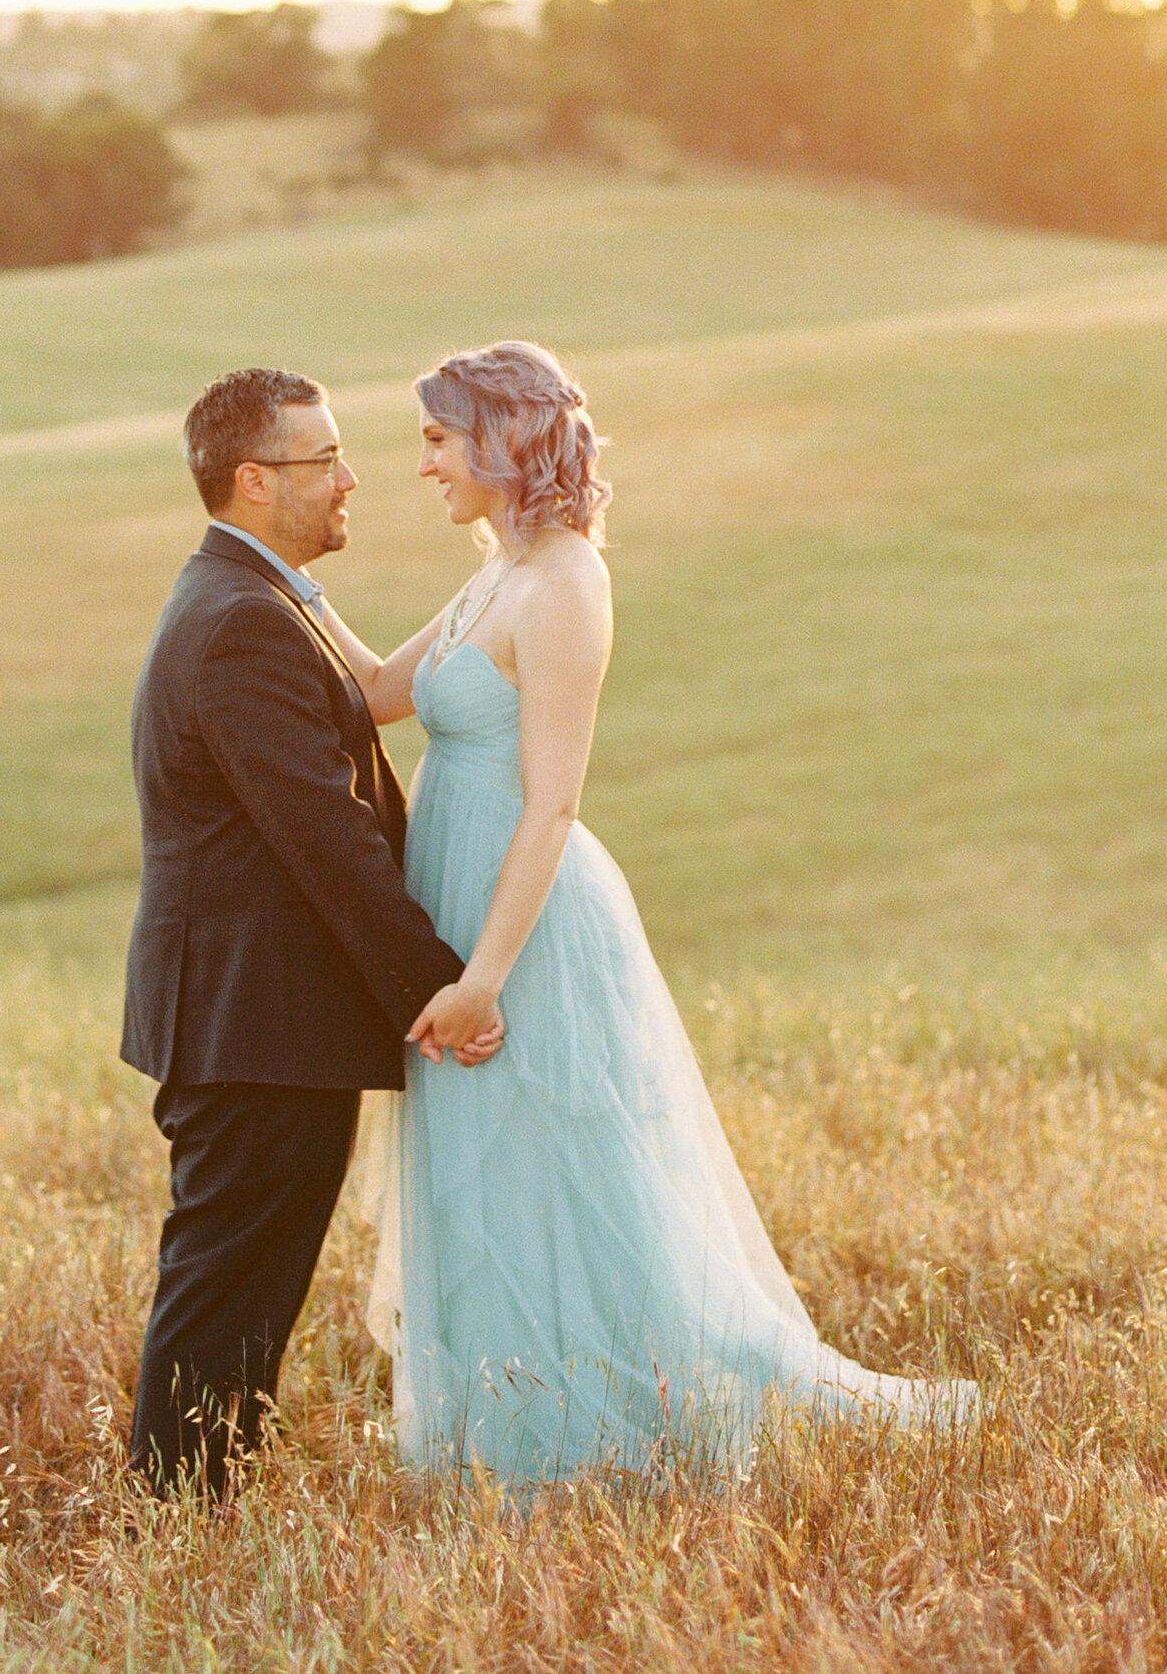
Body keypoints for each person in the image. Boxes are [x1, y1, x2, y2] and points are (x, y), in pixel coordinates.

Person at [312, 340, 973, 1482]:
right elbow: (374, 694)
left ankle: (620, 1425)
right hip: (455, 898)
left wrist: (483, 976)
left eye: (435, 437)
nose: (420, 464)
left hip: (526, 922)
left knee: (571, 1170)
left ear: (500, 438)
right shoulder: (494, 573)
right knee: (490, 1178)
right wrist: (286, 589)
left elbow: (553, 804)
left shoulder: (565, 582)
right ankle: (508, 1423)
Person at [120, 366, 500, 1495]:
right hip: (255, 1020)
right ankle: (173, 1520)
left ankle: (197, 1510)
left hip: (262, 1018)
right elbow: (321, 833)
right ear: (251, 481)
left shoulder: (262, 598)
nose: (349, 477)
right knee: (226, 1282)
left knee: (243, 1281)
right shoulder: (242, 620)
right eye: (322, 458)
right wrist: (437, 985)